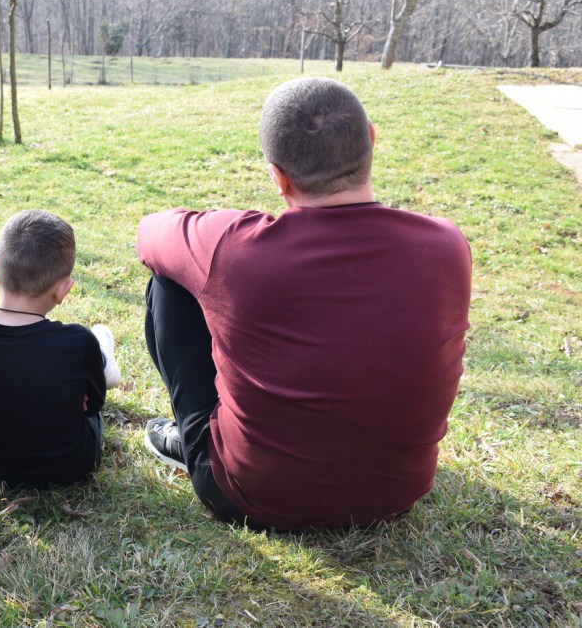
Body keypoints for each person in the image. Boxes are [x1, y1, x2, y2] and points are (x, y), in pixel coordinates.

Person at [137, 77, 471, 531]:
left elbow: (148, 234)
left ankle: (196, 441)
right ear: (371, 138)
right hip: (398, 493)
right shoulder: (448, 244)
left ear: (277, 176)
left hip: (249, 498)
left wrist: (222, 228)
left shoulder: (234, 247)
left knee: (167, 281)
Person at [0, 209, 121, 487]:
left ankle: (99, 362)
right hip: (73, 467)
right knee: (93, 354)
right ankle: (103, 361)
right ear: (63, 290)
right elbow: (93, 407)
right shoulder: (77, 341)